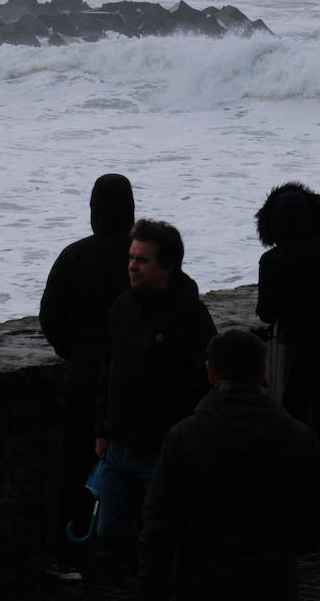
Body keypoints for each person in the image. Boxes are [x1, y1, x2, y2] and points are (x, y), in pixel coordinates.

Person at [140, 329, 320, 601]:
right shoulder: (297, 436)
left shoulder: (183, 437)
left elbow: (158, 530)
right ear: (263, 372)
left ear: (210, 373)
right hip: (273, 581)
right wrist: (279, 548)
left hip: (203, 582)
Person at [95, 219, 217, 576]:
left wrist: (171, 420)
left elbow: (206, 377)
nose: (132, 266)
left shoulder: (189, 313)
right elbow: (108, 371)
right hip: (119, 446)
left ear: (168, 266)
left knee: (169, 533)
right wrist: (102, 428)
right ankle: (154, 580)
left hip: (162, 450)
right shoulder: (123, 305)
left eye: (143, 260)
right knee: (110, 529)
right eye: (131, 258)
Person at [38, 173, 135, 582]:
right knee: (139, 464)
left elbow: (51, 317)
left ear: (94, 210)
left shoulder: (74, 256)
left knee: (78, 466)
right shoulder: (143, 256)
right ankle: (134, 553)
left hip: (85, 376)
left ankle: (71, 557)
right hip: (136, 378)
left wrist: (72, 351)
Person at [254, 182, 320, 493]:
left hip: (294, 357)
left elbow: (266, 312)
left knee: (294, 425)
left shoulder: (271, 261)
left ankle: (301, 495)